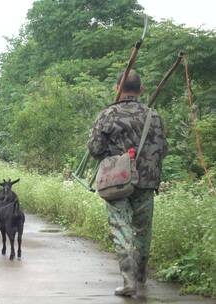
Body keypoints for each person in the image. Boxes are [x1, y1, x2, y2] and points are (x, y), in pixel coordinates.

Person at [87, 70, 168, 297]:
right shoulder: (154, 116)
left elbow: (94, 150)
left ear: (117, 88)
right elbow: (163, 149)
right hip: (146, 181)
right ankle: (141, 274)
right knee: (143, 229)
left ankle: (128, 280)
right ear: (141, 89)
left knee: (121, 228)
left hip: (117, 181)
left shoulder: (108, 115)